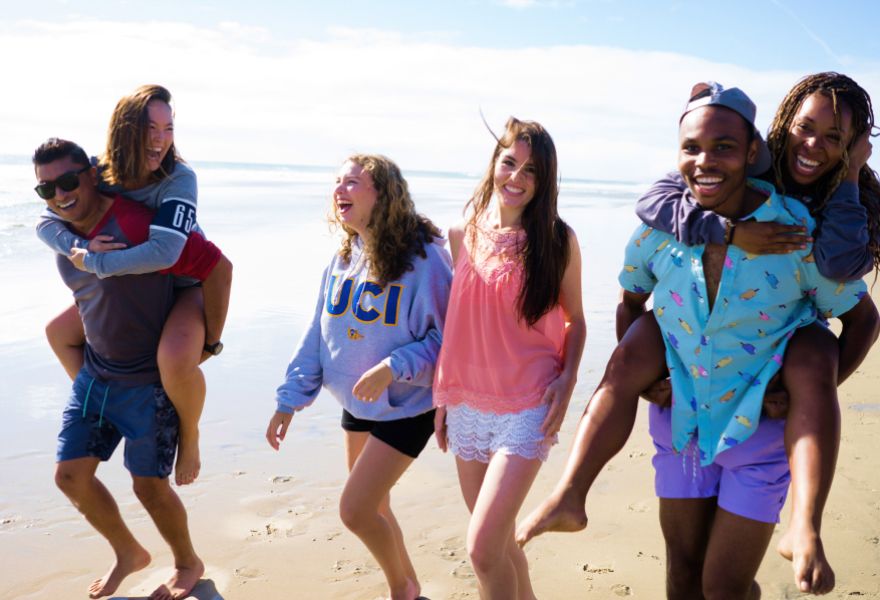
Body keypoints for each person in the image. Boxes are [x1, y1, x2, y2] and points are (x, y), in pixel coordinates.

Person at [517, 83, 879, 598]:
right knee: (685, 576)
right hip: (686, 419)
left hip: (762, 414)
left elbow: (853, 294)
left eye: (833, 137)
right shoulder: (681, 210)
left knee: (723, 587)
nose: (815, 144)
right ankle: (572, 491)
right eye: (806, 128)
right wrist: (653, 377)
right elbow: (636, 281)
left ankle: (805, 523)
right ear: (778, 135)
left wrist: (847, 178)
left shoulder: (798, 228)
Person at [33, 138, 233, 599]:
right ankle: (129, 552)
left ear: (90, 174)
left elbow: (217, 267)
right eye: (46, 189)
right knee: (69, 477)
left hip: (147, 383)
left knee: (149, 488)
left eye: (67, 181)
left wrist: (209, 337)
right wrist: (77, 244)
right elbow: (51, 235)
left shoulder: (139, 225)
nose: (60, 195)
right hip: (97, 378)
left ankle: (187, 563)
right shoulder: (60, 231)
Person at [266, 154, 452, 600]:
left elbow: (448, 339)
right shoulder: (344, 256)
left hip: (407, 407)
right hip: (357, 405)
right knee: (376, 505)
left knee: (355, 510)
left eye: (353, 182)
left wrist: (394, 367)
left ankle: (402, 591)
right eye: (337, 182)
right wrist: (289, 399)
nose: (340, 190)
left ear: (383, 195)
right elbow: (319, 334)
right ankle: (409, 588)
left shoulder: (425, 259)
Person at [432, 117, 586, 599]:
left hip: (527, 405)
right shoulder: (460, 234)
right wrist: (444, 396)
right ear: (493, 165)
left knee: (481, 550)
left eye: (531, 171)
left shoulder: (557, 241)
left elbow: (575, 321)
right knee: (498, 544)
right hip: (467, 407)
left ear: (545, 182)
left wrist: (568, 379)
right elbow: (456, 326)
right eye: (509, 163)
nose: (516, 178)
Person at [36, 84, 218, 486]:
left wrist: (98, 263)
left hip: (186, 285)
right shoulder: (99, 174)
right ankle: (107, 406)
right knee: (57, 333)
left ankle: (190, 433)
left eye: (168, 128)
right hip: (139, 287)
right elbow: (45, 222)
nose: (160, 138)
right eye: (150, 127)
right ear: (124, 130)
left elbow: (165, 253)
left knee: (173, 361)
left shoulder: (179, 177)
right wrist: (77, 245)